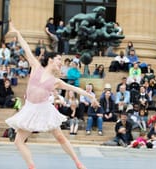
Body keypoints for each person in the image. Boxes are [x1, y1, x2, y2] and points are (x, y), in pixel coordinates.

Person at [5, 22, 99, 169]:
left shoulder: (56, 81)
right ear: (50, 60)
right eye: (59, 60)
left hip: (44, 109)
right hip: (30, 109)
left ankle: (78, 163)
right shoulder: (36, 67)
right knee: (18, 141)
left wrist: (91, 96)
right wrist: (17, 33)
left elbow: (74, 88)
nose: (61, 63)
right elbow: (26, 48)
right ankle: (31, 166)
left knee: (60, 137)